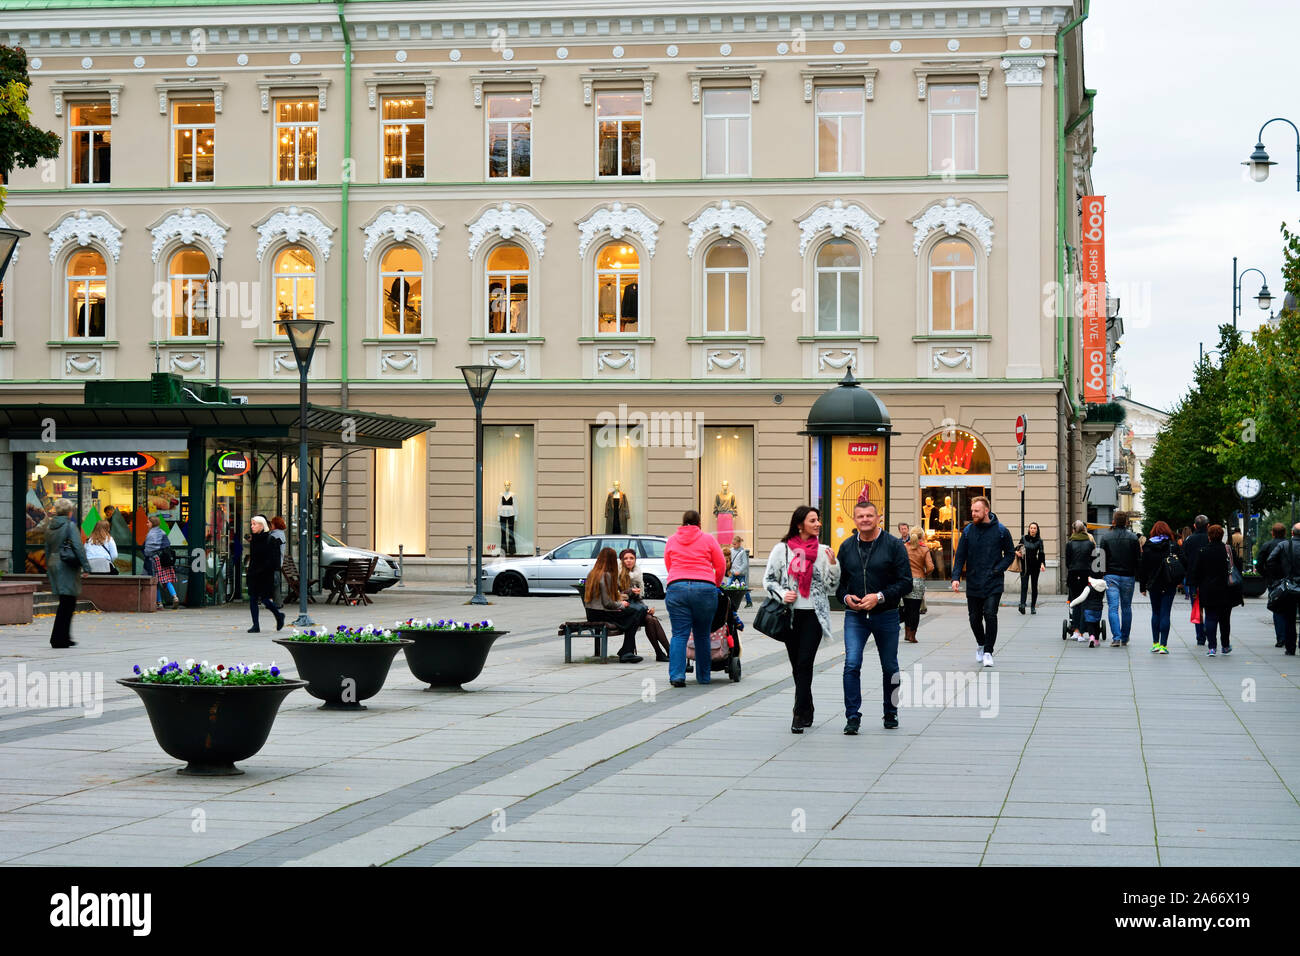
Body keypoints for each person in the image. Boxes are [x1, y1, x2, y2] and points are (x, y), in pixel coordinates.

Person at [836, 501, 910, 733]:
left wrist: (879, 597)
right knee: (851, 664)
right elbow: (839, 586)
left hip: (886, 614)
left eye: (870, 515)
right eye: (860, 516)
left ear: (879, 517)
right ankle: (852, 716)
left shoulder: (893, 545)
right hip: (855, 616)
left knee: (890, 666)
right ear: (855, 519)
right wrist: (846, 598)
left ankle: (891, 711)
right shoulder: (846, 547)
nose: (865, 519)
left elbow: (906, 583)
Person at [765, 506, 840, 733]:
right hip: (790, 615)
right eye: (813, 520)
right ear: (800, 525)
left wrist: (834, 566)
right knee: (797, 666)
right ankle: (807, 705)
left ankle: (798, 713)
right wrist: (782, 594)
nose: (818, 524)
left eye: (818, 520)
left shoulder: (824, 551)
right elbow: (768, 580)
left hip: (814, 616)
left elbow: (832, 587)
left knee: (804, 663)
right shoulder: (782, 550)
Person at [949, 496, 1015, 667]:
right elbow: (960, 556)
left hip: (993, 581)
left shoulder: (1001, 531)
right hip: (974, 580)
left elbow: (1009, 554)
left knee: (990, 614)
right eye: (972, 511)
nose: (973, 514)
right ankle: (981, 643)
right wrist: (956, 577)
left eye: (976, 511)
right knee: (974, 618)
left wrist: (997, 569)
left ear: (986, 511)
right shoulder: (968, 531)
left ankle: (988, 651)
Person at [664, 510, 727, 686]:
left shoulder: (672, 540)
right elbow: (720, 564)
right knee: (702, 634)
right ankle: (704, 677)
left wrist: (678, 579)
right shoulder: (708, 539)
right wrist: (715, 583)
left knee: (679, 635)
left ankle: (677, 676)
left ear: (683, 523)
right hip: (705, 588)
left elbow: (669, 564)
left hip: (677, 587)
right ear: (699, 523)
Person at [44, 499, 90, 648]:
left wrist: (48, 566)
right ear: (70, 512)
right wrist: (86, 566)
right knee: (67, 603)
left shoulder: (49, 526)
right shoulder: (70, 526)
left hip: (54, 563)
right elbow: (78, 547)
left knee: (66, 601)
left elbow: (47, 548)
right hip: (66, 565)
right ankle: (58, 638)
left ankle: (64, 636)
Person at [1192, 524, 1241, 657]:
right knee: (1225, 619)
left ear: (1209, 536)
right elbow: (1238, 566)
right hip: (1226, 589)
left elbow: (1196, 572)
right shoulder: (1228, 550)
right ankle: (1225, 645)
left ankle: (1212, 647)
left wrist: (1195, 587)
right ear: (1221, 535)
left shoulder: (1202, 551)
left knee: (1210, 618)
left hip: (1208, 590)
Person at [618, 548, 668, 662]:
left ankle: (663, 653)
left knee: (651, 619)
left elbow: (638, 599)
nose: (629, 561)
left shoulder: (637, 574)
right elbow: (616, 596)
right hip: (624, 610)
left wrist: (646, 608)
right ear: (621, 561)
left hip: (635, 609)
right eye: (625, 558)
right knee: (651, 620)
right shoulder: (618, 574)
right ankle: (663, 653)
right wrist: (630, 591)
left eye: (631, 558)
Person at [1100, 510, 1141, 646]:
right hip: (1128, 576)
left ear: (1114, 521)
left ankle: (1116, 637)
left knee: (1112, 607)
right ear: (1127, 522)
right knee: (1126, 607)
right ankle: (1125, 637)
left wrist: (1103, 574)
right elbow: (1137, 559)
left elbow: (1101, 559)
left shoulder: (1105, 538)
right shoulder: (1133, 538)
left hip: (1111, 575)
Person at [1138, 520, 1179, 654]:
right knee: (1165, 613)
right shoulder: (1172, 545)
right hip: (1169, 583)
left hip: (1154, 583)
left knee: (1155, 612)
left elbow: (1143, 568)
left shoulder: (1148, 546)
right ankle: (1163, 646)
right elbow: (1182, 562)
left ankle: (1155, 643)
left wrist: (1142, 587)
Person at [246, 514, 286, 633]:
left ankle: (279, 615)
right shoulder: (254, 540)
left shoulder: (271, 539)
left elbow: (273, 560)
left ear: (262, 525)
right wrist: (250, 572)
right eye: (251, 524)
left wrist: (265, 570)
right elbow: (254, 558)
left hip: (265, 575)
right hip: (254, 574)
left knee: (265, 600)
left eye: (255, 524)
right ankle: (255, 625)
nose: (252, 526)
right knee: (253, 599)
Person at [1266, 523, 1300, 655]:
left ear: (1292, 533)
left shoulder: (1284, 545)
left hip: (1289, 585)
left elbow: (1270, 561)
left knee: (1289, 618)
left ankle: (1290, 647)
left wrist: (1280, 576)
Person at [1258, 523, 1289, 648]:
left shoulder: (1267, 546)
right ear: (1285, 533)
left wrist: (1266, 575)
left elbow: (1259, 563)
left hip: (1273, 581)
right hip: (1289, 580)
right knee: (1289, 609)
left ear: (1272, 533)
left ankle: (1281, 637)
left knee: (1277, 608)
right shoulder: (1290, 545)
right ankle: (1288, 636)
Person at [1181, 515, 1211, 645]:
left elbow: (1183, 559)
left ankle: (1200, 637)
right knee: (1210, 609)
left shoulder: (1189, 540)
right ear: (1208, 526)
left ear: (1194, 526)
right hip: (1210, 580)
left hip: (1193, 579)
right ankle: (1210, 633)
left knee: (1197, 609)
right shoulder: (1210, 539)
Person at [1065, 520, 1094, 640]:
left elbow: (1067, 562)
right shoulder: (1090, 544)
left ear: (1073, 530)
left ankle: (1076, 630)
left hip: (1073, 575)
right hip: (1086, 575)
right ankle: (1082, 632)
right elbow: (1093, 561)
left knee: (1075, 602)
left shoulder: (1070, 544)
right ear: (1083, 530)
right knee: (1085, 602)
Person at [143, 516, 180, 609]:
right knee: (167, 580)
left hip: (155, 560)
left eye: (148, 522)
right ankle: (175, 597)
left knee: (156, 581)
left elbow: (147, 550)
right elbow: (167, 544)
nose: (146, 524)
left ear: (152, 523)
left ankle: (159, 603)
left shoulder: (150, 534)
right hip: (165, 559)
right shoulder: (162, 532)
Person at [903, 529, 933, 643]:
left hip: (906, 580)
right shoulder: (924, 549)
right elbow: (930, 567)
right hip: (919, 580)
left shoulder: (905, 547)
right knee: (915, 610)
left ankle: (906, 633)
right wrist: (923, 573)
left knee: (907, 608)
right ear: (922, 536)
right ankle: (912, 635)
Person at [1016, 521, 1047, 614]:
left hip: (1035, 566)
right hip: (1024, 565)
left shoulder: (1039, 541)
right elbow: (1016, 548)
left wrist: (1042, 564)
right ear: (1029, 529)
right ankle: (1022, 604)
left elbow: (1041, 553)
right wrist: (1017, 553)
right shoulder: (1024, 538)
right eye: (1031, 528)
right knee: (1024, 586)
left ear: (1037, 530)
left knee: (1034, 586)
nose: (1033, 530)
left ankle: (1033, 606)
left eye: (1034, 528)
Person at [726, 535, 753, 608]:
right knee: (728, 586)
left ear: (739, 543)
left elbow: (745, 564)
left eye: (735, 544)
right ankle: (727, 602)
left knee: (744, 588)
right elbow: (728, 560)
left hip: (740, 574)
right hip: (732, 573)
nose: (733, 545)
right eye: (732, 544)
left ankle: (749, 602)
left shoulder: (742, 552)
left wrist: (739, 570)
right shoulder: (731, 551)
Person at [270, 516, 288, 602]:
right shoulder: (281, 534)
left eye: (272, 523)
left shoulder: (275, 535)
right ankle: (277, 602)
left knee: (274, 583)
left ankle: (277, 602)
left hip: (274, 563)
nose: (271, 525)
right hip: (278, 563)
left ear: (275, 524)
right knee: (275, 583)